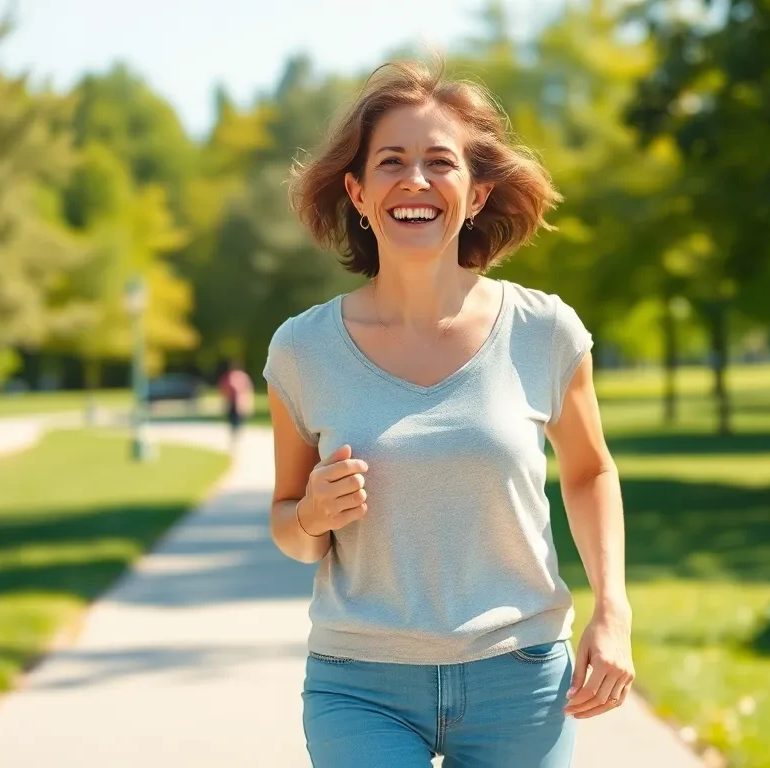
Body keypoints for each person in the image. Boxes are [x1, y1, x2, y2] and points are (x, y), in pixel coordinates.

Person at [262, 59, 633, 768]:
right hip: (360, 685)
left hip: (519, 679)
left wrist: (612, 610)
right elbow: (289, 525)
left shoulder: (543, 331)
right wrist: (310, 514)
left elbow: (590, 473)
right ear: (359, 192)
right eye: (392, 162)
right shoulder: (303, 350)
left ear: (476, 191)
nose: (416, 181)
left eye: (441, 162)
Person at [216, 358, 254, 452]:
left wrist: (249, 403)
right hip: (231, 403)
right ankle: (234, 439)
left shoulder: (243, 377)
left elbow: (247, 391)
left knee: (239, 422)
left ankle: (237, 438)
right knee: (233, 422)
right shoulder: (228, 377)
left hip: (241, 403)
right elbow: (223, 390)